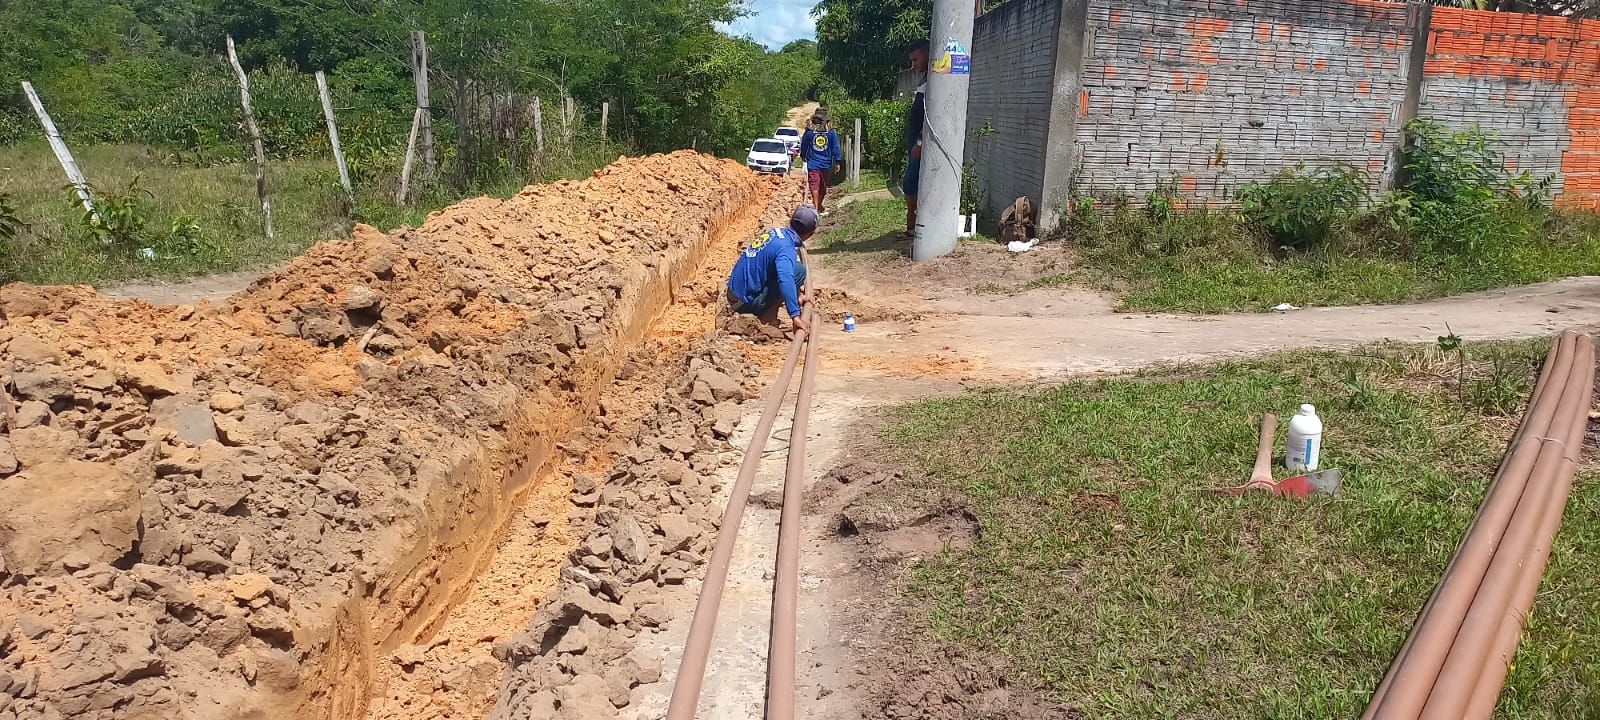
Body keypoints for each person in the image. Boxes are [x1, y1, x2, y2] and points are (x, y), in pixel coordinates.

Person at [726, 206, 818, 336]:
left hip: (734, 294)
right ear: (811, 233)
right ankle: (768, 319)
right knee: (797, 273)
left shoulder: (777, 233)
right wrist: (795, 316)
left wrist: (798, 295)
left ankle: (774, 308)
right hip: (744, 303)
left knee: (796, 269)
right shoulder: (786, 248)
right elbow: (785, 279)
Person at [903, 39, 930, 238]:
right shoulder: (926, 78)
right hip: (915, 138)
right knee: (912, 181)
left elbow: (931, 116)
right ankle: (913, 223)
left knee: (911, 182)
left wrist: (920, 142)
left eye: (916, 59)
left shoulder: (936, 82)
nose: (913, 65)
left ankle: (914, 221)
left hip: (921, 140)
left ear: (928, 53)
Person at [799, 109, 843, 215]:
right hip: (819, 164)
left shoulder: (815, 133)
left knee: (820, 187)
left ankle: (817, 206)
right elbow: (835, 147)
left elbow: (835, 147)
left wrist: (837, 161)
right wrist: (837, 161)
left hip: (821, 164)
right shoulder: (826, 133)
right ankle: (816, 208)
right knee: (818, 186)